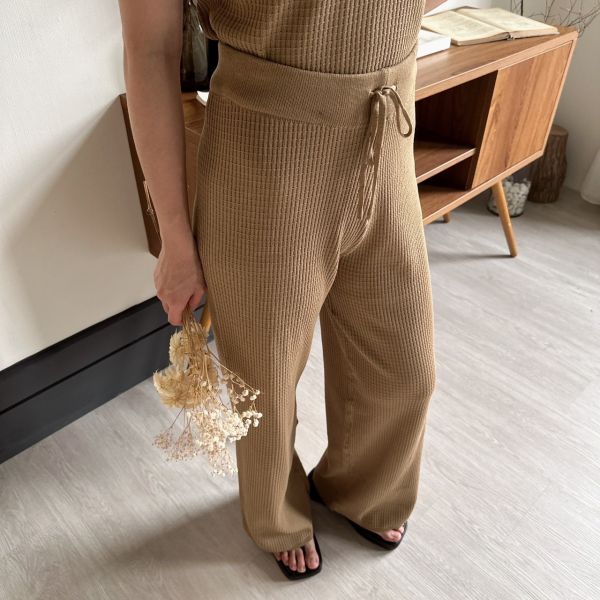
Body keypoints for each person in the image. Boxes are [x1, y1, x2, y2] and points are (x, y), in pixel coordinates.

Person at [118, 0, 447, 580]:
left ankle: (360, 489)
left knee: (404, 364)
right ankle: (276, 514)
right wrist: (174, 238)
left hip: (387, 132)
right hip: (265, 152)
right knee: (264, 374)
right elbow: (150, 52)